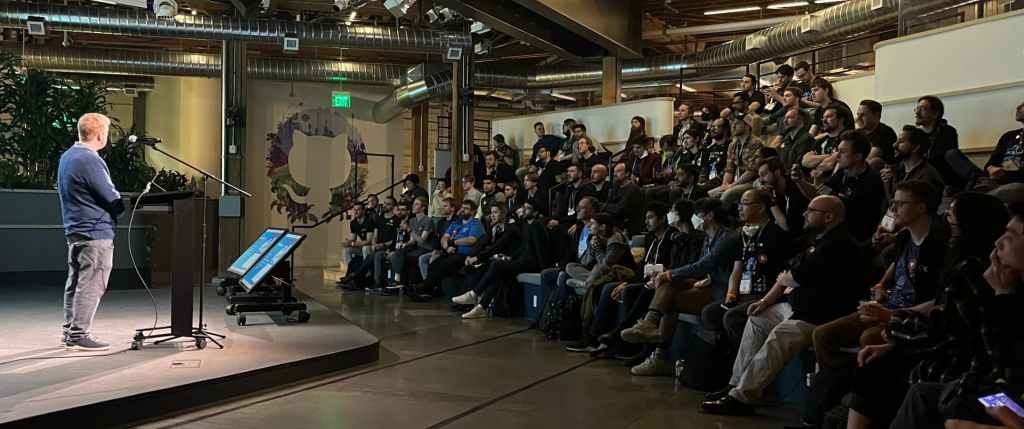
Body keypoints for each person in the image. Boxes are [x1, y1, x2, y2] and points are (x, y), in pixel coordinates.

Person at [835, 192, 1005, 429]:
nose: (948, 216)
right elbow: (944, 312)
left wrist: (894, 326)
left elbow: (948, 331)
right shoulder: (963, 262)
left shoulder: (972, 268)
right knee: (865, 358)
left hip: (971, 372)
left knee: (886, 372)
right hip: (951, 352)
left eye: (954, 213)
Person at [702, 195, 867, 416]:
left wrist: (788, 279)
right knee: (758, 320)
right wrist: (765, 301)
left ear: (828, 216)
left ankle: (742, 397)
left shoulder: (839, 244)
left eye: (810, 210)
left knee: (780, 335)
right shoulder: (817, 240)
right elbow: (787, 276)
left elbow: (793, 277)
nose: (804, 214)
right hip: (795, 307)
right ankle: (736, 385)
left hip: (820, 316)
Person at [886, 205, 1024, 429]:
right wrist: (1002, 295)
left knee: (957, 411)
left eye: (1010, 237)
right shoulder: (1011, 286)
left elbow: (1006, 372)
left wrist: (1002, 296)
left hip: (1012, 399)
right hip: (1000, 391)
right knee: (926, 395)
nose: (998, 243)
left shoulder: (976, 273)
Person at [57, 113, 123, 351]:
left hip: (75, 229)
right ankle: (79, 334)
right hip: (95, 232)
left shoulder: (68, 156)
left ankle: (69, 330)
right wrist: (121, 205)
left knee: (75, 282)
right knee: (91, 284)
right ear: (100, 134)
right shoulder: (89, 159)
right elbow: (109, 195)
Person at [586, 202, 675, 362]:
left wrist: (628, 283)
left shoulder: (671, 237)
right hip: (643, 279)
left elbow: (605, 265)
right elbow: (642, 267)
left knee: (626, 290)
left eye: (651, 218)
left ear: (662, 219)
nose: (647, 221)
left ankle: (620, 338)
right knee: (612, 288)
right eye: (646, 218)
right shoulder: (650, 238)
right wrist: (627, 282)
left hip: (660, 282)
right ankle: (600, 336)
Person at [456, 201, 548, 319]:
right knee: (498, 273)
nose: (523, 210)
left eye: (528, 208)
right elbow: (522, 248)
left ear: (535, 212)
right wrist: (510, 257)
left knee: (496, 265)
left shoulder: (535, 225)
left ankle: (474, 294)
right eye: (523, 207)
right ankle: (481, 307)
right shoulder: (525, 224)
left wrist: (543, 269)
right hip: (520, 260)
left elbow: (539, 250)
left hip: (531, 263)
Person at [795, 131, 886, 244]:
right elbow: (818, 195)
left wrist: (832, 196)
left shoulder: (872, 181)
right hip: (833, 232)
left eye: (842, 152)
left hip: (852, 239)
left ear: (858, 156)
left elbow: (851, 213)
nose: (836, 155)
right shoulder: (843, 172)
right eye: (837, 150)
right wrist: (799, 180)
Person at [411, 200, 485, 301]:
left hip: (464, 254)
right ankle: (428, 290)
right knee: (434, 264)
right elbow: (444, 238)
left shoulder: (475, 224)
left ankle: (424, 288)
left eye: (466, 208)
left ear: (473, 212)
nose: (463, 210)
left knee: (444, 264)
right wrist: (447, 247)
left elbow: (471, 240)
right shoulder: (456, 223)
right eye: (462, 208)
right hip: (450, 252)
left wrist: (453, 242)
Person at [881, 125, 945, 203]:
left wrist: (892, 180)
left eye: (901, 141)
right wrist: (887, 182)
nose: (894, 145)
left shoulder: (927, 175)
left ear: (916, 147)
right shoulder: (894, 169)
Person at [710, 112, 763, 204]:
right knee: (710, 194)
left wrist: (731, 186)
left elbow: (751, 171)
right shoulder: (733, 145)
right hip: (736, 180)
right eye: (733, 123)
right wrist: (724, 185)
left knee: (727, 195)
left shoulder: (756, 143)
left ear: (747, 126)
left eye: (737, 123)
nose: (733, 126)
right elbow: (729, 169)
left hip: (752, 182)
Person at [916, 95, 965, 188]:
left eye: (923, 109)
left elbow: (945, 159)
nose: (917, 113)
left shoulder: (948, 131)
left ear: (935, 114)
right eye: (917, 108)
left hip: (943, 176)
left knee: (951, 154)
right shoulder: (914, 134)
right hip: (919, 175)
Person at [389, 196, 433, 290]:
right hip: (416, 247)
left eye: (416, 204)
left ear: (423, 207)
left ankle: (400, 280)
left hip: (425, 248)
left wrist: (409, 229)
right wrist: (405, 244)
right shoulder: (412, 220)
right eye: (413, 204)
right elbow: (412, 240)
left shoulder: (428, 220)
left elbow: (422, 240)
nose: (413, 206)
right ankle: (397, 279)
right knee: (398, 252)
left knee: (407, 257)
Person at [757, 157, 809, 233]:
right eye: (760, 176)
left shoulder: (795, 188)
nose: (761, 180)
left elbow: (788, 227)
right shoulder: (774, 192)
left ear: (777, 172)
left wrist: (771, 200)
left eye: (764, 175)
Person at [419, 197, 458, 281]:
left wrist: (441, 250)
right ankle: (426, 283)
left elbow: (455, 238)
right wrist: (436, 249)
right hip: (439, 249)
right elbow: (436, 237)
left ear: (453, 208)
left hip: (450, 250)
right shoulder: (441, 222)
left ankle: (433, 285)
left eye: (445, 206)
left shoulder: (457, 221)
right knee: (422, 259)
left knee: (433, 259)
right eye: (442, 206)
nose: (442, 208)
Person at [985, 101, 1024, 185]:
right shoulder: (1008, 136)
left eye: (1023, 105)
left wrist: (1004, 174)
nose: (1017, 107)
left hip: (1017, 183)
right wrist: (990, 168)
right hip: (995, 179)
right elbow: (991, 163)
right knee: (953, 155)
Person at [339, 202, 376, 288]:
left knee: (365, 248)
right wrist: (347, 242)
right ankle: (350, 273)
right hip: (361, 246)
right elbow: (353, 238)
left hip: (370, 246)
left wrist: (354, 243)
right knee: (347, 249)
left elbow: (369, 241)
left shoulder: (369, 221)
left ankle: (367, 271)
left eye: (358, 209)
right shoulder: (353, 223)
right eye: (354, 210)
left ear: (363, 211)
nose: (356, 212)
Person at [603, 162, 645, 236]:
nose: (614, 174)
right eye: (614, 171)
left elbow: (620, 209)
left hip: (629, 228)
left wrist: (604, 206)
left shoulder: (633, 189)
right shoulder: (615, 188)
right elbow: (608, 205)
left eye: (618, 171)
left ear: (627, 173)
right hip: (615, 224)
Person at [857, 100, 899, 168]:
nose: (858, 118)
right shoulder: (858, 132)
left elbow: (869, 158)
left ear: (876, 115)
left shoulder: (886, 132)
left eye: (862, 115)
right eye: (858, 115)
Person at [773, 108, 815, 174]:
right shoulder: (787, 138)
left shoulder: (806, 138)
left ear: (800, 120)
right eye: (785, 118)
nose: (784, 121)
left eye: (789, 118)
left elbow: (798, 165)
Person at [701, 118, 731, 188]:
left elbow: (729, 169)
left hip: (723, 183)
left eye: (716, 127)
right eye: (712, 126)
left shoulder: (731, 146)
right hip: (707, 183)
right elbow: (704, 169)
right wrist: (701, 181)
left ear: (725, 129)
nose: (712, 129)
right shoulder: (708, 149)